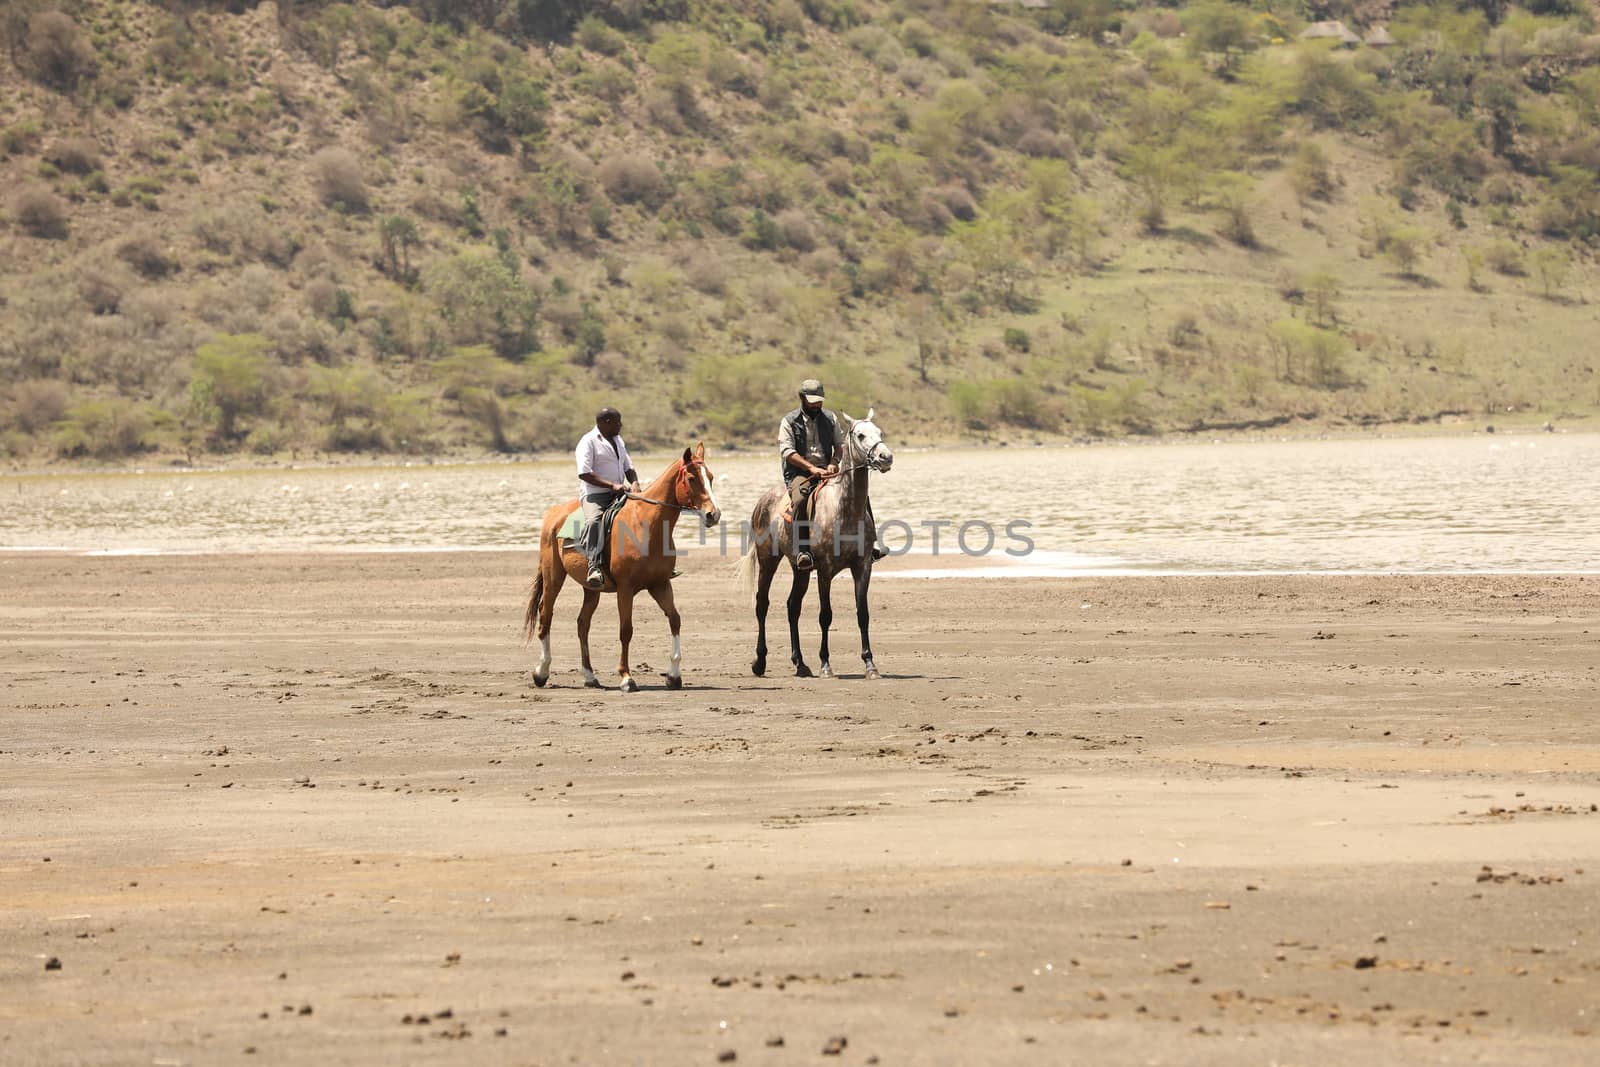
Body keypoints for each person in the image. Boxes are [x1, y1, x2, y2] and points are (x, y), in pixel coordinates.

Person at [778, 378, 842, 571]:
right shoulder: (789, 421)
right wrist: (811, 468)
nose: (817, 404)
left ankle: (869, 543)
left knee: (857, 491)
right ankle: (803, 550)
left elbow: (840, 446)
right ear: (802, 398)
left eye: (819, 400)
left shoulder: (831, 419)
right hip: (800, 475)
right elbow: (787, 452)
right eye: (812, 400)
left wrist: (833, 462)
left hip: (827, 472)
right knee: (799, 499)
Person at [575, 407, 639, 589]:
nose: (621, 425)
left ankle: (655, 562)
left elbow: (628, 466)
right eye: (618, 422)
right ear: (607, 423)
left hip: (620, 492)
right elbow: (584, 473)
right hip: (595, 494)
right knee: (595, 521)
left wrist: (634, 482)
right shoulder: (587, 442)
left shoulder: (618, 440)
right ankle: (593, 566)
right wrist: (612, 485)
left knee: (646, 513)